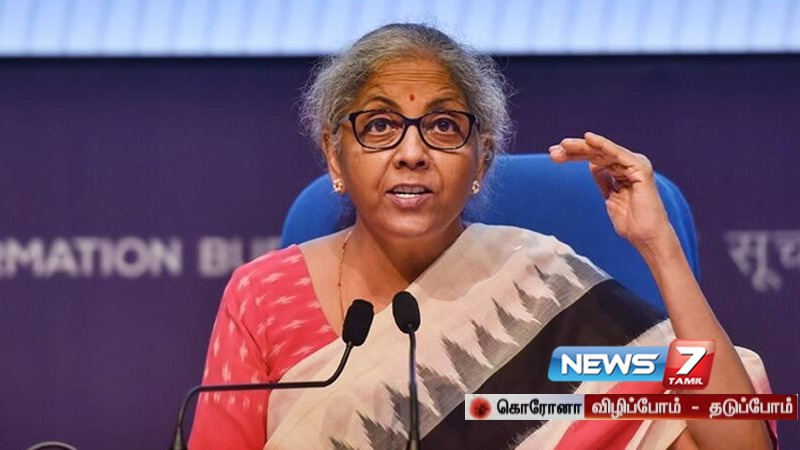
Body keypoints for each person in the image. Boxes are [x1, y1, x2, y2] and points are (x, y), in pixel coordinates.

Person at [188, 23, 776, 450]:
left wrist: (659, 248)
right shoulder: (263, 297)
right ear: (335, 155)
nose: (412, 153)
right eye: (381, 125)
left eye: (444, 126)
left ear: (481, 158)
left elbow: (738, 441)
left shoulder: (540, 284)